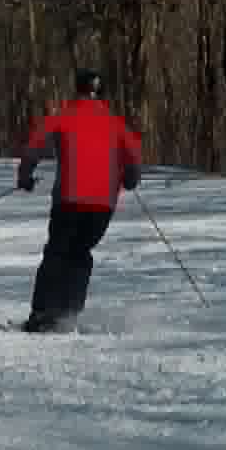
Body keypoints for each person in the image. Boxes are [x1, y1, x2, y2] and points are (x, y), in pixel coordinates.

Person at [16, 70, 141, 331]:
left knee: (57, 251)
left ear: (78, 89)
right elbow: (133, 156)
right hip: (103, 204)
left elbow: (35, 144)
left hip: (69, 198)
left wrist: (25, 176)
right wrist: (130, 178)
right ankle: (68, 313)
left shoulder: (64, 115)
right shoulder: (116, 123)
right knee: (80, 252)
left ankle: (43, 314)